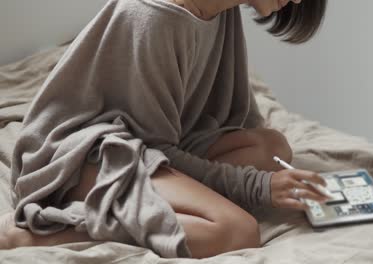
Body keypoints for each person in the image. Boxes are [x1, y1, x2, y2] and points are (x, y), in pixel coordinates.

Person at [0, 0, 328, 259]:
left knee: (272, 148)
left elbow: (214, 113)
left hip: (152, 141)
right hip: (86, 153)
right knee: (235, 231)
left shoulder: (220, 10)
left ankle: (171, 203)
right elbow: (153, 145)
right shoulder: (155, 16)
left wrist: (263, 179)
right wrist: (256, 187)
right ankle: (40, 235)